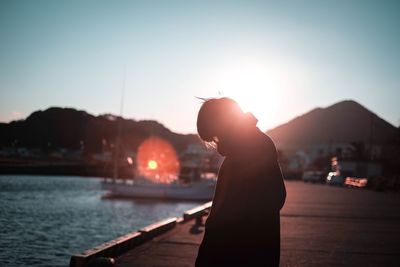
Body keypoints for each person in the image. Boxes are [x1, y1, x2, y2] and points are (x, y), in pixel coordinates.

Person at [195, 97, 286, 267]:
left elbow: (226, 214)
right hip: (260, 249)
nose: (217, 142)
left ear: (223, 124)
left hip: (238, 252)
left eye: (216, 135)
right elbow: (277, 196)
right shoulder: (256, 142)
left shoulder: (245, 151)